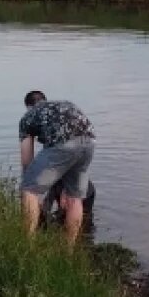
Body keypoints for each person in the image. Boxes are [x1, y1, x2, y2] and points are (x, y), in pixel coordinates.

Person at [18, 91, 95, 245]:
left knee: (28, 189)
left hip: (63, 143)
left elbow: (27, 160)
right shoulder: (65, 104)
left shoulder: (28, 116)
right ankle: (69, 250)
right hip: (89, 141)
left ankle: (27, 245)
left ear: (28, 106)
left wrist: (32, 187)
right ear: (44, 100)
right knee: (75, 198)